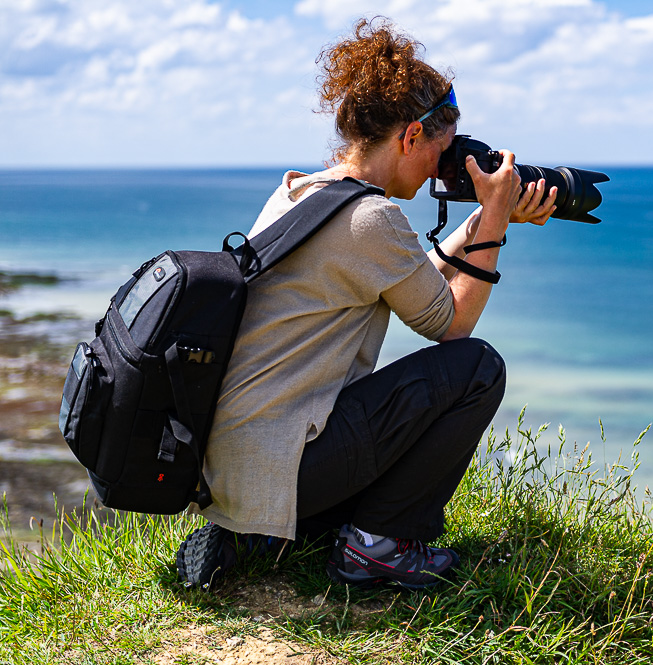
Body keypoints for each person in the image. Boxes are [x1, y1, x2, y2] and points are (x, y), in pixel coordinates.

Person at [174, 18, 557, 590]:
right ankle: (378, 548)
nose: (439, 169)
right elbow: (451, 325)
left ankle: (254, 530)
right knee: (477, 368)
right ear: (409, 138)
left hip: (233, 471)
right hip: (285, 470)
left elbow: (408, 278)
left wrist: (483, 219)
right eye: (440, 152)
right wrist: (497, 219)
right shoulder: (371, 219)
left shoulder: (302, 192)